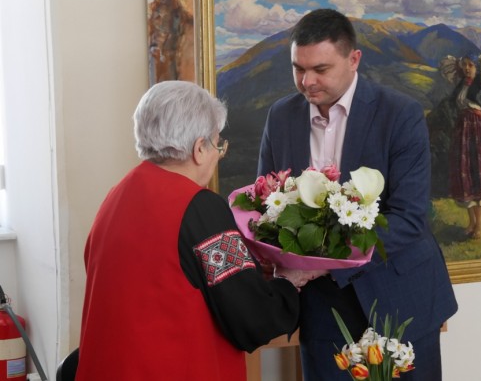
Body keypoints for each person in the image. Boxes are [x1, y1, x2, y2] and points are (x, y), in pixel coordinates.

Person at [257, 9, 458, 381]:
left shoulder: (401, 114)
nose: (307, 81)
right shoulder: (280, 116)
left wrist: (321, 262)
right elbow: (267, 204)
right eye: (298, 69)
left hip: (399, 293)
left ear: (354, 60)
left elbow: (409, 218)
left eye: (320, 69)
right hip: (321, 307)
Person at [76, 81, 315, 381]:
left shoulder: (115, 196)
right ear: (199, 148)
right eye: (217, 144)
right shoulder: (200, 208)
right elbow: (251, 317)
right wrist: (288, 282)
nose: (217, 154)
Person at [440, 53, 481, 239]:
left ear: (477, 67)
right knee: (464, 172)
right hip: (462, 131)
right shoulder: (462, 84)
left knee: (477, 174)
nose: (467, 68)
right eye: (465, 65)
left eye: (471, 65)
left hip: (475, 131)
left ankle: (479, 226)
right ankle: (471, 223)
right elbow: (456, 103)